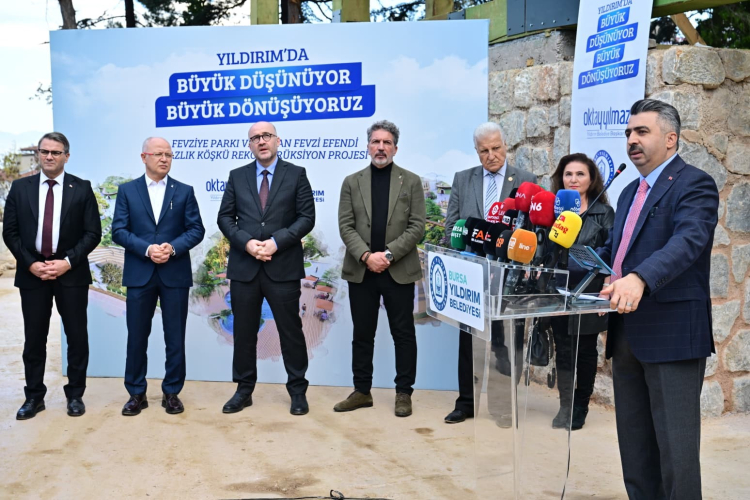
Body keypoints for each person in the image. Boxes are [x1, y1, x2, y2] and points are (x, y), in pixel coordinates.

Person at [597, 99, 718, 499]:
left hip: (671, 335)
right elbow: (617, 253)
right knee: (635, 449)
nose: (631, 140)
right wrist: (598, 273)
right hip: (625, 331)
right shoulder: (629, 192)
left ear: (670, 138)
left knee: (676, 453)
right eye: (628, 133)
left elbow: (688, 241)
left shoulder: (694, 184)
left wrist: (639, 278)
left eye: (642, 132)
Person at [217, 121, 315, 416]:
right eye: (255, 138)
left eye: (266, 136)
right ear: (249, 145)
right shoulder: (237, 176)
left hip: (282, 266)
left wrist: (275, 242)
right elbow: (225, 218)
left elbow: (306, 217)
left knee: (291, 332)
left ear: (277, 140)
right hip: (244, 268)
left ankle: (297, 391)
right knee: (244, 333)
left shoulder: (297, 174)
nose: (261, 141)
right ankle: (243, 390)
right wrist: (247, 243)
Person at [2, 132, 101, 419]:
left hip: (70, 273)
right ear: (38, 154)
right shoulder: (20, 188)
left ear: (66, 156)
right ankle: (34, 397)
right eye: (44, 151)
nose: (49, 156)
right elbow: (10, 232)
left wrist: (67, 262)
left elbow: (92, 232)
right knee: (34, 338)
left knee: (77, 336)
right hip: (32, 274)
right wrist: (31, 264)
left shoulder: (81, 188)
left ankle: (75, 395)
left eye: (55, 152)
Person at [443, 122, 536, 424]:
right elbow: (451, 226)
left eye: (496, 148)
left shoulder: (526, 180)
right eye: (484, 150)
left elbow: (532, 232)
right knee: (468, 343)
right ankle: (465, 403)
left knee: (506, 344)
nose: (491, 155)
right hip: (471, 277)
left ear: (506, 145)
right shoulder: (463, 179)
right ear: (476, 151)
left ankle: (503, 407)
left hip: (509, 279)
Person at [335, 120, 425, 418]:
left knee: (403, 333)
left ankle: (404, 393)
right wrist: (366, 256)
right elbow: (346, 226)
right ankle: (362, 391)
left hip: (397, 269)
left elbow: (417, 227)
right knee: (362, 333)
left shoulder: (410, 181)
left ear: (395, 148)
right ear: (368, 146)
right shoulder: (352, 182)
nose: (381, 147)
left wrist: (386, 255)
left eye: (387, 142)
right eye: (376, 142)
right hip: (362, 270)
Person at [112, 137, 205, 416]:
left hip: (174, 273)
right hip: (139, 274)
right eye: (158, 154)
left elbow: (196, 229)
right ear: (144, 157)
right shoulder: (127, 191)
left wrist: (172, 248)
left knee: (175, 337)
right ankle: (136, 393)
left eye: (169, 155)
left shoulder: (184, 191)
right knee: (136, 337)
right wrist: (148, 249)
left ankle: (172, 392)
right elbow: (119, 230)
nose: (164, 159)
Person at [548, 153, 614, 430]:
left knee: (585, 351)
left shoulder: (604, 213)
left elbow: (612, 252)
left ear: (591, 179)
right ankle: (565, 404)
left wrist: (607, 288)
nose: (573, 179)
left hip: (590, 291)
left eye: (580, 174)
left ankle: (580, 406)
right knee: (563, 350)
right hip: (558, 290)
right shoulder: (553, 210)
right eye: (568, 174)